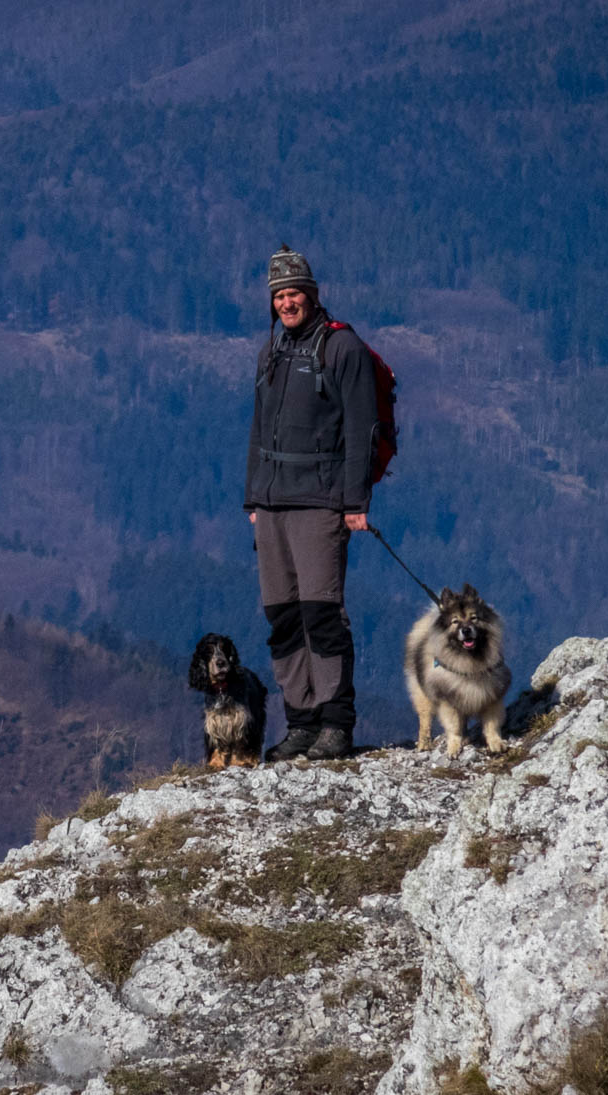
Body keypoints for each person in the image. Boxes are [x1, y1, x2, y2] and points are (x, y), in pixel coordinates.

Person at [244, 246, 379, 762]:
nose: (285, 303)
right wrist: (253, 497)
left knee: (322, 614)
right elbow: (258, 430)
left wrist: (354, 501)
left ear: (312, 293)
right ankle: (299, 722)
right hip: (272, 506)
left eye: (293, 292)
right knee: (282, 616)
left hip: (321, 503)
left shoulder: (342, 349)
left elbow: (363, 430)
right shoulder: (271, 354)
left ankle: (334, 725)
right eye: (278, 295)